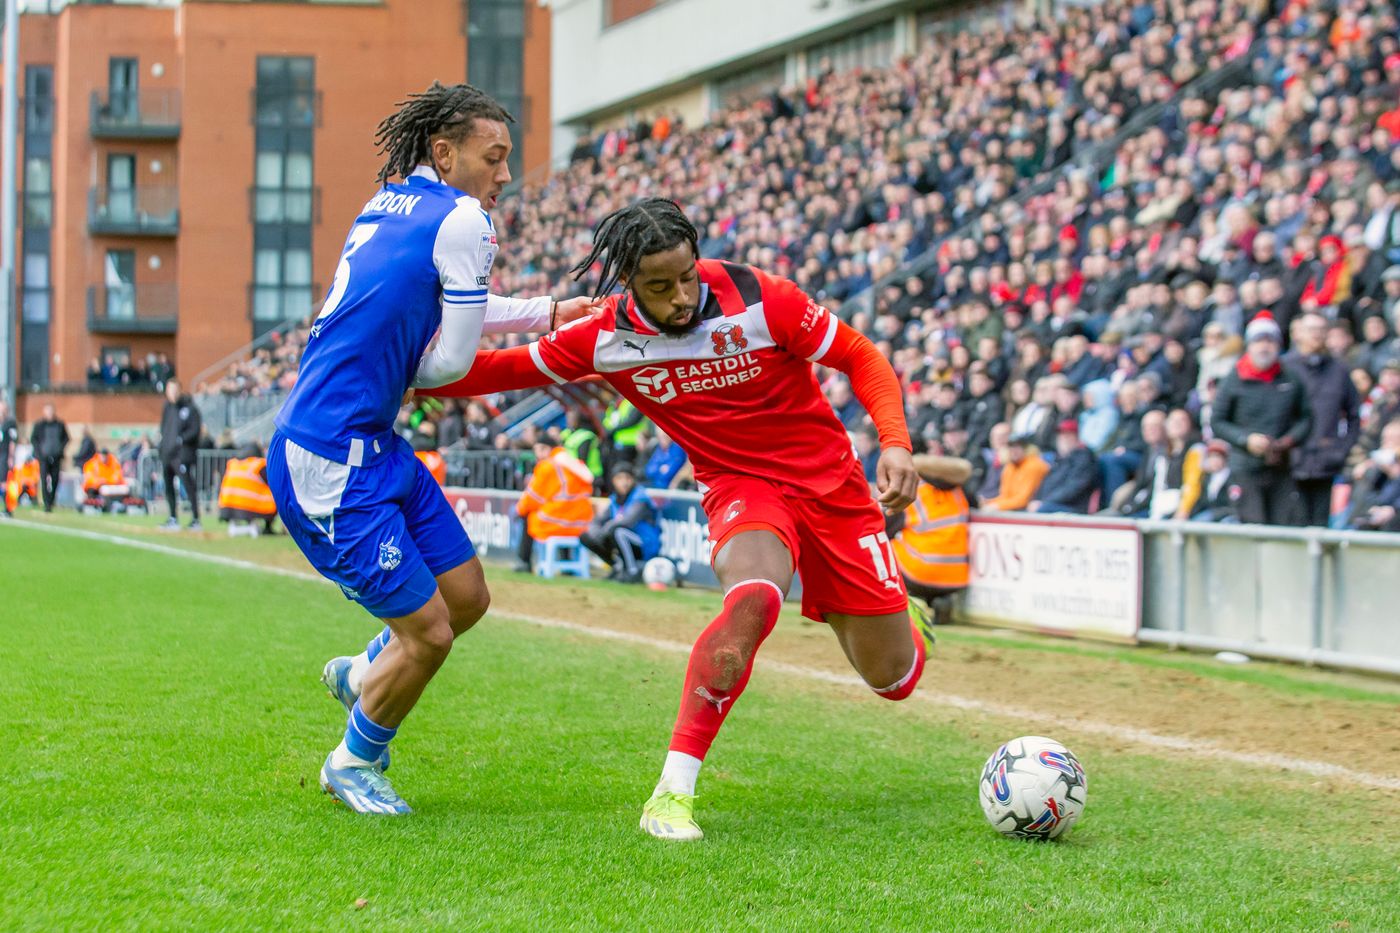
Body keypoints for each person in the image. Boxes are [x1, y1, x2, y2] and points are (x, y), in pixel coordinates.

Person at [429, 198, 925, 842]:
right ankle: (673, 792)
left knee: (894, 681)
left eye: (688, 276)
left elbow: (860, 356)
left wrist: (894, 441)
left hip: (833, 487)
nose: (682, 296)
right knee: (754, 598)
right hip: (741, 488)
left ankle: (882, 608)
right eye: (661, 287)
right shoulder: (605, 336)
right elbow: (503, 368)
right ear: (627, 282)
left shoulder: (760, 298)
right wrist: (403, 375)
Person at [264, 82, 599, 815]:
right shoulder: (465, 218)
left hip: (370, 441)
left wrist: (543, 311)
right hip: (329, 458)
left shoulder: (391, 204)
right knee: (431, 634)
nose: (505, 175)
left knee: (467, 597)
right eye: (494, 157)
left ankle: (363, 672)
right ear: (444, 152)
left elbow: (450, 310)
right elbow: (447, 363)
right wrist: (528, 345)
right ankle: (354, 760)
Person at [1210, 312, 1312, 525]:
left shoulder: (1291, 378)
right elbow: (1218, 421)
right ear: (1249, 345)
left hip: (1280, 467)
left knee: (1284, 526)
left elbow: (1306, 419)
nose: (1264, 347)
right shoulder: (1234, 378)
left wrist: (1288, 441)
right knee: (1253, 525)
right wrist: (1245, 439)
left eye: (1270, 341)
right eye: (1259, 341)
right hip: (1245, 467)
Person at [1285, 312, 1360, 526]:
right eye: (1311, 330)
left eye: (1321, 330)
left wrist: (1341, 449)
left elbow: (1354, 415)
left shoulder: (1339, 370)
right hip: (1290, 462)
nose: (1316, 336)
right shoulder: (1285, 367)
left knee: (1320, 525)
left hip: (1325, 462)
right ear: (1299, 333)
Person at [889, 454, 971, 626]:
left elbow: (884, 528)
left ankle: (912, 600)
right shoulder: (960, 491)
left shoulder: (913, 491)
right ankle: (939, 601)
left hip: (919, 572)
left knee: (886, 547)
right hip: (956, 576)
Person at [514, 439, 595, 572]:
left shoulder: (547, 466)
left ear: (548, 448)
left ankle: (524, 561)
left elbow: (533, 498)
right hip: (582, 520)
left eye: (539, 449)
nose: (537, 454)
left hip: (560, 520)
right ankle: (567, 563)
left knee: (528, 516)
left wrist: (519, 510)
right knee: (554, 514)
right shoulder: (571, 461)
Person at [581, 461, 661, 582]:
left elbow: (627, 521)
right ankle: (617, 567)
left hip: (644, 542)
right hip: (622, 539)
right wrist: (596, 532)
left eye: (628, 478)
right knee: (586, 536)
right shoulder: (614, 498)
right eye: (619, 478)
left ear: (633, 480)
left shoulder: (640, 496)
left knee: (618, 531)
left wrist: (604, 531)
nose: (624, 483)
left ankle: (631, 571)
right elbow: (598, 520)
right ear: (613, 481)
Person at [158, 377, 204, 531]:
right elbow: (163, 429)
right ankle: (173, 518)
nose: (172, 393)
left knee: (188, 486)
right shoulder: (167, 407)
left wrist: (180, 440)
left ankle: (196, 519)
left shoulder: (190, 408)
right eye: (169, 390)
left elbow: (195, 430)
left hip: (182, 455)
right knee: (168, 486)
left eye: (174, 390)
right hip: (167, 454)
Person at [1029, 420, 1100, 514]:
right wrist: (1036, 500)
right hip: (1052, 504)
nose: (1063, 439)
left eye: (1067, 435)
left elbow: (1074, 487)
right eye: (1061, 435)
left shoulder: (1084, 458)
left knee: (1042, 510)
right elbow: (1046, 483)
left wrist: (1045, 502)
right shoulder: (1059, 459)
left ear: (1076, 437)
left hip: (1073, 508)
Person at [217, 444, 278, 535]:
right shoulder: (258, 464)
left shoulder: (232, 463)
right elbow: (273, 483)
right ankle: (267, 527)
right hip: (249, 506)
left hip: (227, 506)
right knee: (275, 495)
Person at [981, 433, 1049, 512]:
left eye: (1017, 447)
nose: (1013, 451)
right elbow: (1005, 496)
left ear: (1026, 448)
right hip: (1014, 507)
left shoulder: (1034, 465)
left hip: (1030, 509)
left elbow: (1023, 500)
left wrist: (997, 506)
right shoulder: (1009, 467)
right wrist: (987, 502)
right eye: (1011, 447)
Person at [29, 403, 68, 513]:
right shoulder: (39, 425)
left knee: (55, 480)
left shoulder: (59, 424)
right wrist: (39, 453)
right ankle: (47, 503)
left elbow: (66, 438)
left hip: (56, 457)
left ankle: (51, 500)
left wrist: (60, 449)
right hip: (43, 457)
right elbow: (34, 439)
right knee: (44, 480)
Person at [1191, 439, 1238, 522]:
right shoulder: (1206, 478)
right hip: (1208, 514)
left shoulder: (1232, 478)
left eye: (1218, 457)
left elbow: (1233, 505)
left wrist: (1214, 515)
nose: (1214, 461)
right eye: (1211, 457)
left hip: (1226, 515)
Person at [0, 399, 16, 518]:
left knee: (5, 482)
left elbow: (12, 441)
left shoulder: (10, 423)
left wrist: (11, 456)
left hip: (4, 456)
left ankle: (8, 509)